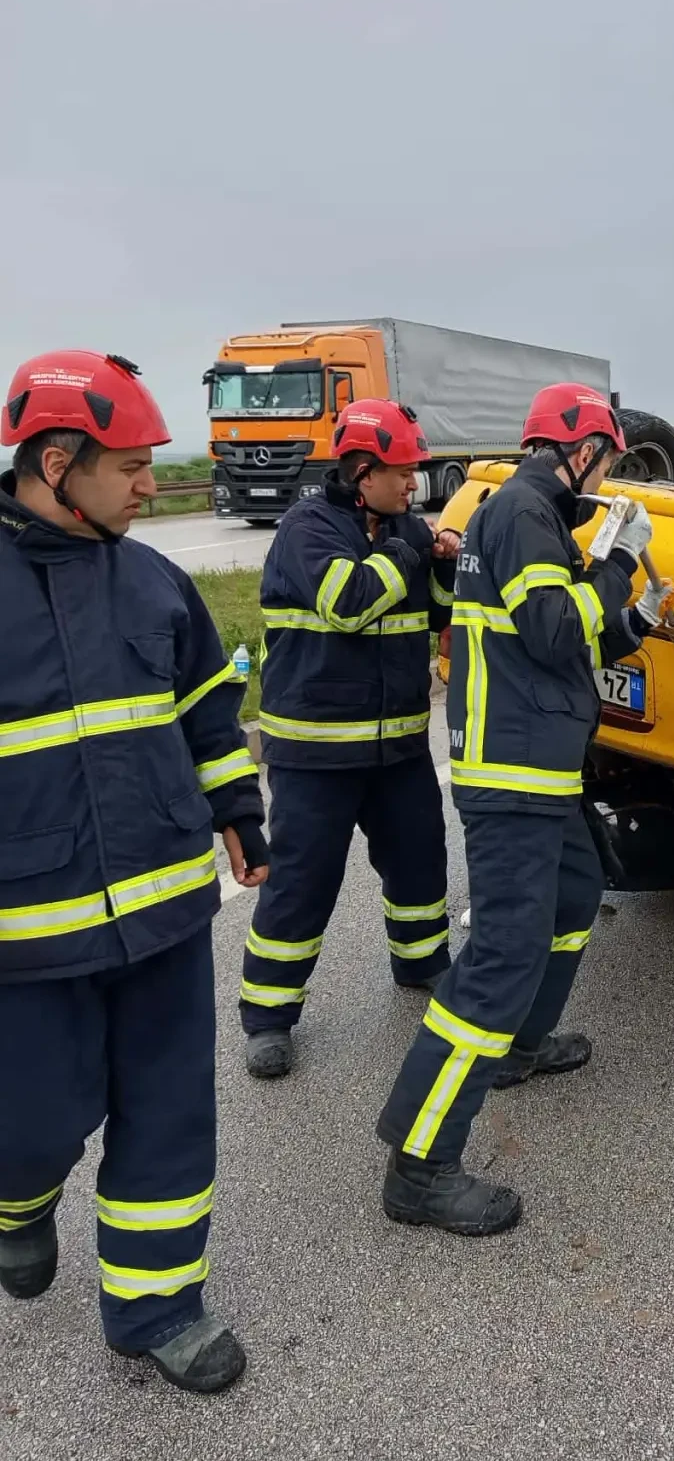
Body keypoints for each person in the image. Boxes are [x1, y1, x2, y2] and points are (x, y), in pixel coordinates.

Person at [0, 350, 267, 1394]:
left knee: (168, 1116)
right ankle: (18, 1199)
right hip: (25, 936)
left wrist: (237, 811)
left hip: (162, 911)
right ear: (57, 461)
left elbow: (207, 711)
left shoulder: (153, 582)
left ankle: (158, 1309)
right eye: (131, 467)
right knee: (32, 1125)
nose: (154, 485)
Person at [377, 383, 673, 1235]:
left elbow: (576, 631)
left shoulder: (535, 518)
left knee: (576, 896)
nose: (607, 476)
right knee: (501, 957)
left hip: (541, 766)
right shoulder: (521, 512)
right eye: (607, 461)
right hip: (512, 776)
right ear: (580, 451)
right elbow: (552, 628)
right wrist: (617, 562)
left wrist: (638, 612)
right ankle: (420, 1164)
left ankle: (520, 1045)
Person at [240, 398, 458, 1080]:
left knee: (421, 861)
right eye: (403, 472)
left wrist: (443, 565)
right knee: (303, 882)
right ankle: (269, 1015)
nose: (414, 484)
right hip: (316, 755)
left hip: (396, 749)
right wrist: (412, 546)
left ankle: (421, 962)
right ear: (363, 471)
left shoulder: (402, 528)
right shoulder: (307, 530)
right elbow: (350, 602)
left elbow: (435, 615)